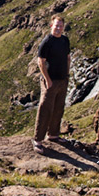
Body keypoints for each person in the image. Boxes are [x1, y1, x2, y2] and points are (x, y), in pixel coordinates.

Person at [33, 15, 70, 154]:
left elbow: (67, 57)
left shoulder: (65, 40)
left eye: (61, 26)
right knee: (45, 109)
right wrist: (47, 79)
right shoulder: (47, 42)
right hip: (50, 80)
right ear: (51, 26)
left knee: (58, 108)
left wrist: (67, 74)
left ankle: (53, 135)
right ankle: (37, 140)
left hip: (62, 79)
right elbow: (40, 62)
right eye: (56, 25)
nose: (58, 28)